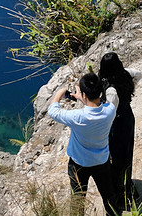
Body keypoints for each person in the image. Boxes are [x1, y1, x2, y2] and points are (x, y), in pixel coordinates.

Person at [47, 72, 122, 216]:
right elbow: (96, 106)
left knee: (78, 199)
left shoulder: (77, 117)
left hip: (79, 164)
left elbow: (53, 111)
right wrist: (82, 97)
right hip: (101, 161)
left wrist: (60, 92)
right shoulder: (110, 110)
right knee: (109, 196)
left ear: (84, 95)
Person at [99, 53, 142, 209]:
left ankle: (122, 192)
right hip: (128, 118)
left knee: (117, 157)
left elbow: (109, 113)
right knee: (127, 152)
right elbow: (138, 74)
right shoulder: (126, 74)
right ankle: (127, 184)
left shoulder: (111, 90)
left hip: (117, 124)